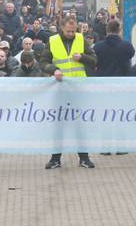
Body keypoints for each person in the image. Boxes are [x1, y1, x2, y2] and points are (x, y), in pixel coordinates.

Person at [41, 16, 98, 169]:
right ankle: (55, 159)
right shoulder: (52, 41)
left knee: (80, 125)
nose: (71, 34)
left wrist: (82, 57)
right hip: (60, 90)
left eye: (73, 31)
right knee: (59, 125)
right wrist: (53, 70)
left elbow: (94, 59)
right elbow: (43, 62)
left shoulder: (80, 39)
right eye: (68, 31)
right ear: (62, 28)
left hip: (78, 90)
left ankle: (84, 158)